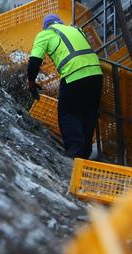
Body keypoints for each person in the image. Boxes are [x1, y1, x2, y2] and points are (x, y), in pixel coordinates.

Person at [27, 14, 103, 159]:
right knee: (88, 112)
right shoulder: (76, 29)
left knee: (68, 113)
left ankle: (75, 154)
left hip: (73, 75)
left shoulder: (45, 34)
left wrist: (31, 81)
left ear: (46, 26)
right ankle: (85, 154)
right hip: (96, 74)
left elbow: (34, 60)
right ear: (60, 23)